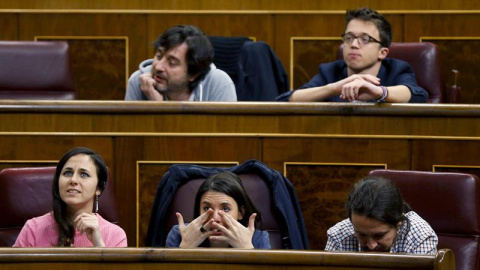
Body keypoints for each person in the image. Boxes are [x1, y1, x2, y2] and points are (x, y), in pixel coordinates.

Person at [276, 7, 428, 103]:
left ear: (382, 52)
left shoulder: (397, 69)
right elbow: (285, 100)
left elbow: (419, 95)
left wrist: (379, 92)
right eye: (349, 37)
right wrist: (333, 88)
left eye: (364, 39)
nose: (353, 45)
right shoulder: (330, 72)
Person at [13, 147, 127, 247]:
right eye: (67, 173)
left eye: (84, 174)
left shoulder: (115, 235)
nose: (73, 180)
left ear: (99, 188)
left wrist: (99, 246)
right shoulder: (33, 229)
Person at [325, 176, 438, 254]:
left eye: (379, 236)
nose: (371, 245)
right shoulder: (338, 236)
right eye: (362, 235)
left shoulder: (420, 237)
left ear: (398, 223)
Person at [125, 24, 237, 101]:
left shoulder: (218, 84)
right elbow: (128, 135)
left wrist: (160, 108)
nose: (159, 67)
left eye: (172, 63)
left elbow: (224, 135)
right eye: (159, 56)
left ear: (193, 74)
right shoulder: (138, 82)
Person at [165, 171, 270, 249]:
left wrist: (247, 249)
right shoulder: (180, 235)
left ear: (240, 213)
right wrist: (184, 249)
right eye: (207, 208)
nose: (215, 218)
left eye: (225, 209)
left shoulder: (258, 240)